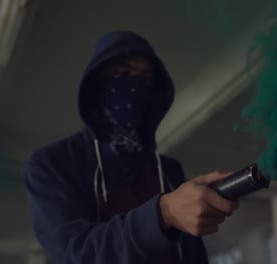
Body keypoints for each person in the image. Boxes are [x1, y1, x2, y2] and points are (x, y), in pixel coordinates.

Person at [25, 31, 240, 264]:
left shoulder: (167, 170)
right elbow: (75, 254)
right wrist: (163, 213)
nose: (134, 88)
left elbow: (192, 254)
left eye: (145, 79)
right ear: (96, 84)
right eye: (122, 73)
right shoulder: (53, 164)